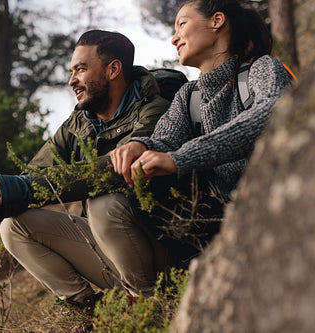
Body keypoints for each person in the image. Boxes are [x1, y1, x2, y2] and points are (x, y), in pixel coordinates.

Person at [0, 30, 170, 311]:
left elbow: (114, 172)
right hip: (111, 252)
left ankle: (150, 307)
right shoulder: (78, 123)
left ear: (113, 69)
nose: (72, 80)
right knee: (13, 227)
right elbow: (32, 176)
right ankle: (91, 311)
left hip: (161, 254)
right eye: (72, 71)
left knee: (104, 203)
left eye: (81, 70)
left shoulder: (155, 109)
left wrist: (25, 188)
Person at [110, 0, 291, 253]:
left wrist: (181, 158)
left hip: (283, 198)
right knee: (148, 179)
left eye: (182, 24)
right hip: (221, 217)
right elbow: (165, 142)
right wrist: (140, 145)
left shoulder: (262, 67)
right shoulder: (187, 95)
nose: (174, 39)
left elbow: (272, 114)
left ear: (217, 21)